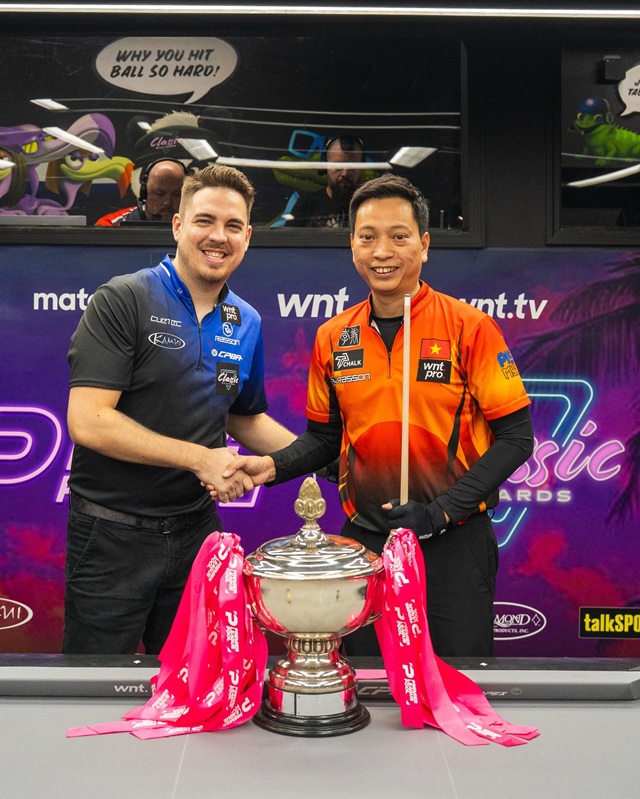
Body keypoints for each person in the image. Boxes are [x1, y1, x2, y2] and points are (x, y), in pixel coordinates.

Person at [221, 173, 534, 658]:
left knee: (457, 684)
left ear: (424, 245)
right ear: (352, 246)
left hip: (453, 542)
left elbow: (516, 437)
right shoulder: (333, 336)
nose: (382, 251)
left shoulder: (469, 327)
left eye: (399, 236)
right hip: (364, 545)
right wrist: (271, 466)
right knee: (367, 684)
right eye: (367, 237)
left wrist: (438, 513)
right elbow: (324, 440)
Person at [64, 164, 294, 655]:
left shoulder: (246, 320)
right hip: (111, 534)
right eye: (204, 221)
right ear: (177, 225)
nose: (218, 236)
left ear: (248, 237)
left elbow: (243, 417)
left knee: (194, 680)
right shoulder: (124, 297)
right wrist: (200, 459)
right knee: (94, 684)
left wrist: (330, 458)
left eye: (233, 226)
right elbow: (88, 420)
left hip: (197, 535)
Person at [289, 135, 365, 227]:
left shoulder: (368, 205)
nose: (345, 173)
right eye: (338, 165)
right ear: (325, 164)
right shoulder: (308, 203)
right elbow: (288, 235)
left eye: (353, 166)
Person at [95, 158, 188, 226]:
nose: (167, 202)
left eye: (177, 195)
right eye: (159, 194)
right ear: (144, 192)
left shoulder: (195, 226)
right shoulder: (110, 225)